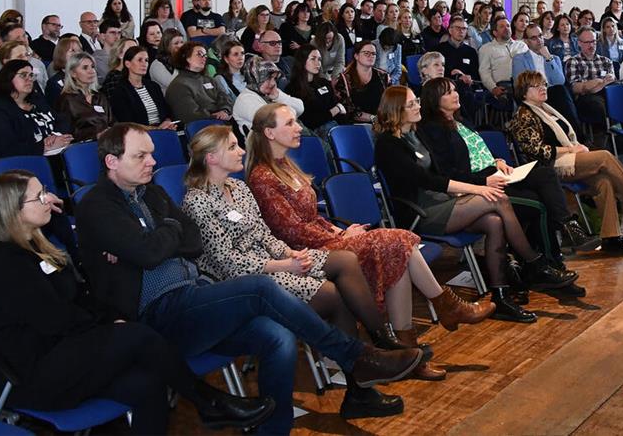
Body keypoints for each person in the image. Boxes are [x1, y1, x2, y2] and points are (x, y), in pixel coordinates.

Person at [75, 123, 423, 432]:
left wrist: (154, 240)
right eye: (141, 156)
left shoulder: (150, 191)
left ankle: (275, 429)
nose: (153, 162)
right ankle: (357, 357)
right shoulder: (97, 206)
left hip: (195, 294)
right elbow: (156, 250)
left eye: (151, 154)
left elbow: (191, 243)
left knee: (278, 337)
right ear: (112, 162)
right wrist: (168, 229)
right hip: (156, 314)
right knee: (261, 287)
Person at [0, 169, 276, 434]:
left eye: (46, 191)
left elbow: (80, 295)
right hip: (31, 373)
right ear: (12, 209)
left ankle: (209, 404)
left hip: (65, 354)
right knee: (136, 335)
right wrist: (108, 325)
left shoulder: (39, 246)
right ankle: (208, 403)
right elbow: (54, 320)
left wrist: (110, 319)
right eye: (39, 197)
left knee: (148, 383)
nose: (48, 199)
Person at [187, 125, 479, 382]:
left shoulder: (237, 188)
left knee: (360, 257)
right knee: (353, 277)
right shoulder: (198, 202)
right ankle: (379, 351)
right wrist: (285, 262)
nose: (241, 149)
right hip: (251, 279)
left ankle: (383, 343)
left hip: (284, 257)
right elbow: (228, 263)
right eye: (232, 146)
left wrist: (290, 253)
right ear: (211, 158)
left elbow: (264, 233)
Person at [375, 87, 560, 323]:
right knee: (499, 199)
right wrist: (479, 188)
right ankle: (535, 263)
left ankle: (501, 295)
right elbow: (427, 180)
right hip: (419, 211)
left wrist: (492, 165)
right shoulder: (388, 144)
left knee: (494, 223)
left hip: (440, 201)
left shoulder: (415, 133)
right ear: (396, 111)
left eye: (417, 101)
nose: (418, 106)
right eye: (411, 104)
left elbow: (441, 172)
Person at [417, 77, 596, 261]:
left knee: (545, 174)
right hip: (478, 183)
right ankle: (546, 258)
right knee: (536, 201)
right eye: (449, 92)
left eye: (455, 90)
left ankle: (566, 229)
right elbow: (448, 172)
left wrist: (497, 160)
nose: (456, 94)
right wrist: (485, 180)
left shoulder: (461, 122)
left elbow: (477, 153)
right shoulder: (434, 129)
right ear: (434, 99)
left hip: (495, 173)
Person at [507, 71, 623, 256]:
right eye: (537, 86)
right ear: (524, 92)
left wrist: (576, 146)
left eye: (544, 84)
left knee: (604, 182)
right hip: (546, 168)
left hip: (569, 158)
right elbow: (535, 151)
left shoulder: (548, 109)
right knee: (605, 156)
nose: (543, 88)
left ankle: (611, 238)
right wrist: (570, 150)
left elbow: (567, 138)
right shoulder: (523, 115)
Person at [0, 60, 71, 158]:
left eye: (31, 75)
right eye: (23, 75)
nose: (29, 79)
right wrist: (44, 146)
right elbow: (5, 149)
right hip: (25, 164)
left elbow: (61, 120)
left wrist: (55, 135)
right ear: (8, 78)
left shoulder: (36, 100)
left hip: (56, 155)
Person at [513, 23, 580, 126]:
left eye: (540, 36)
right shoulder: (519, 59)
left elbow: (559, 81)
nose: (539, 40)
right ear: (526, 41)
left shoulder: (554, 58)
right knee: (561, 93)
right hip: (532, 94)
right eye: (534, 38)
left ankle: (573, 136)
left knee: (561, 91)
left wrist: (548, 58)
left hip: (553, 94)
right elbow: (522, 84)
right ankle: (578, 136)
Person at [285, 45, 351, 138]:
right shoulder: (293, 89)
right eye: (313, 59)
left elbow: (339, 109)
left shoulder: (324, 83)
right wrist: (335, 110)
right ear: (302, 61)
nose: (318, 63)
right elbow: (309, 121)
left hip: (336, 128)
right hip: (315, 134)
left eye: (319, 59)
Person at [108, 45, 177, 129]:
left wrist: (167, 122)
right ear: (127, 64)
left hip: (161, 130)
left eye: (146, 60)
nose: (144, 64)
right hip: (139, 134)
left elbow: (167, 111)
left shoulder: (153, 86)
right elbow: (126, 123)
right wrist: (156, 129)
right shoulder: (120, 91)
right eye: (139, 60)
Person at [165, 41, 233, 124]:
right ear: (186, 57)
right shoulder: (178, 86)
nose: (204, 58)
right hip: (203, 128)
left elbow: (225, 98)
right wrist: (216, 116)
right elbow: (190, 115)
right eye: (199, 54)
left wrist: (225, 110)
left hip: (221, 122)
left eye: (205, 55)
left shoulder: (209, 79)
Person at [233, 56, 304, 135]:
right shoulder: (245, 99)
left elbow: (300, 108)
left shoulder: (270, 92)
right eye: (269, 78)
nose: (273, 83)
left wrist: (278, 96)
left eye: (274, 78)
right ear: (255, 78)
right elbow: (272, 121)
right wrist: (291, 111)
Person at [566, 28, 616, 138]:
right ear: (579, 43)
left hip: (606, 93)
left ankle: (621, 137)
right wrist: (597, 83)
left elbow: (612, 81)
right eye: (587, 42)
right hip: (585, 99)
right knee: (598, 105)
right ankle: (606, 138)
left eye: (593, 41)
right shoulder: (573, 61)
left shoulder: (606, 61)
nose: (591, 45)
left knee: (619, 96)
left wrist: (596, 85)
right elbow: (575, 88)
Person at [53, 52, 112, 142]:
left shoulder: (99, 96)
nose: (91, 71)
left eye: (92, 67)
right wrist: (95, 135)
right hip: (83, 147)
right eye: (85, 68)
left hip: (107, 143)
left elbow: (111, 122)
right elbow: (66, 134)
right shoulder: (67, 99)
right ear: (73, 74)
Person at [334, 40, 388, 122]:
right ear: (356, 56)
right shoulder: (345, 79)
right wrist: (374, 118)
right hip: (356, 124)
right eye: (366, 53)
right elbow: (348, 110)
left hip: (382, 121)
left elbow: (390, 102)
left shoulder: (383, 76)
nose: (371, 56)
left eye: (374, 54)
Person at [478, 17, 527, 104]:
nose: (506, 28)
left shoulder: (521, 46)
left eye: (508, 26)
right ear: (494, 32)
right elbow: (484, 72)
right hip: (503, 86)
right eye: (502, 26)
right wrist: (493, 88)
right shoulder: (486, 48)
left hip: (524, 84)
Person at [44, 35, 80, 107]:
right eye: (72, 50)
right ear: (61, 54)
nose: (78, 54)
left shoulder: (85, 77)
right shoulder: (54, 83)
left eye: (79, 51)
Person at [210, 37, 247, 103]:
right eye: (235, 54)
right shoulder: (220, 79)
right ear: (226, 59)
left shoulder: (249, 74)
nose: (240, 57)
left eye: (242, 53)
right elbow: (226, 103)